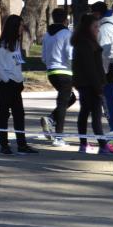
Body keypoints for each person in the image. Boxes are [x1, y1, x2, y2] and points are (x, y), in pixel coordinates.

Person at [71, 14, 113, 155]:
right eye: (95, 27)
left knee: (85, 113)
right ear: (87, 28)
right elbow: (90, 68)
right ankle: (102, 145)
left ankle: (84, 144)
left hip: (88, 83)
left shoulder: (87, 42)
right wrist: (98, 87)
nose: (98, 29)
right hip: (89, 84)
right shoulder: (85, 44)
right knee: (95, 115)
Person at [0, 15, 38, 155]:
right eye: (20, 25)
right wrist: (7, 79)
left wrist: (19, 80)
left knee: (19, 114)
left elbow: (17, 65)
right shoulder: (4, 44)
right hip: (5, 85)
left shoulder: (16, 44)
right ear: (14, 27)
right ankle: (4, 145)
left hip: (16, 85)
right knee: (4, 114)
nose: (22, 28)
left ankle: (22, 144)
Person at [40, 8, 75, 147]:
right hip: (65, 72)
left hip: (51, 72)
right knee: (62, 103)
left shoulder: (47, 35)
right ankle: (59, 137)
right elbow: (70, 55)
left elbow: (43, 56)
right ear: (66, 20)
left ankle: (51, 119)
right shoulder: (67, 33)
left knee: (70, 98)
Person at [92, 1, 113, 133]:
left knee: (112, 98)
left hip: (111, 67)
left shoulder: (104, 28)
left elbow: (104, 53)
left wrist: (101, 72)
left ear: (97, 13)